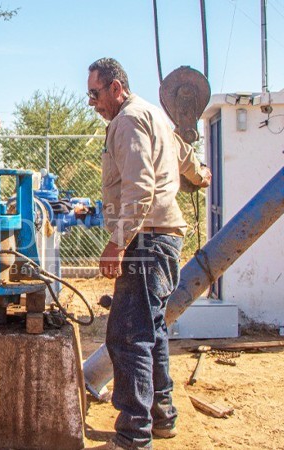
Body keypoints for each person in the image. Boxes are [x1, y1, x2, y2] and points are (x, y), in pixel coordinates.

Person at [85, 57, 210, 450]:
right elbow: (186, 158)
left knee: (127, 336)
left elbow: (139, 186)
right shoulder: (153, 115)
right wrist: (200, 176)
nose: (92, 102)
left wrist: (118, 241)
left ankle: (133, 436)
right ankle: (162, 417)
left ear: (116, 88)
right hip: (164, 238)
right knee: (152, 332)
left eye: (95, 93)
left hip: (145, 239)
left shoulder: (127, 120)